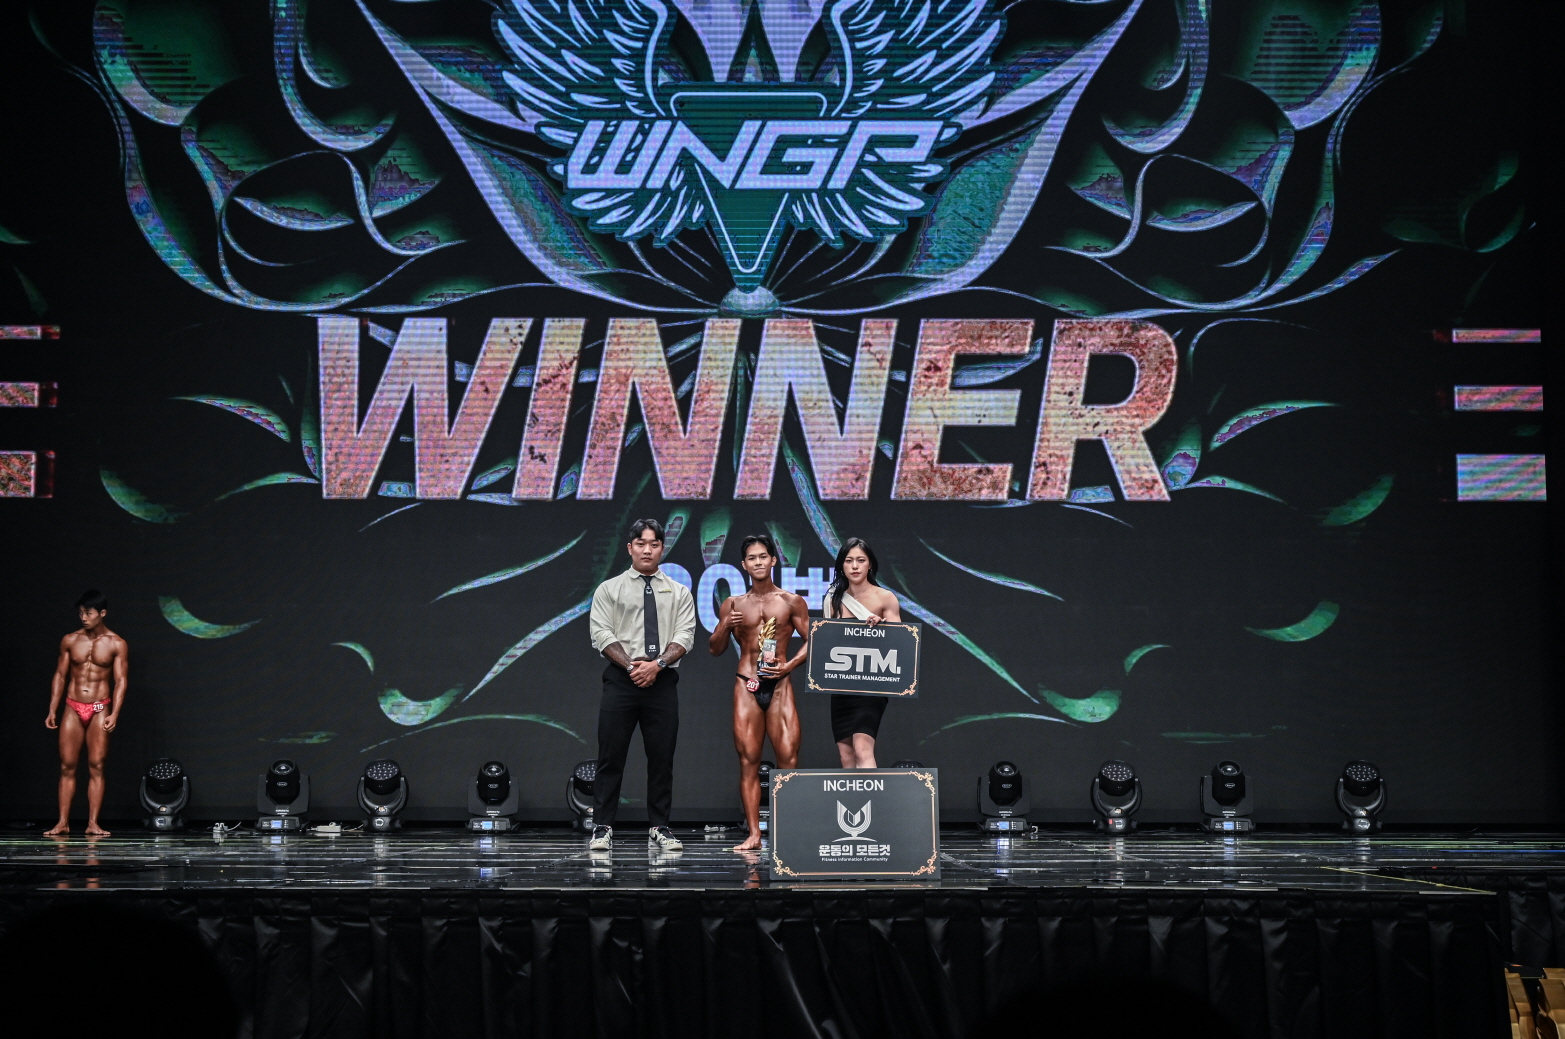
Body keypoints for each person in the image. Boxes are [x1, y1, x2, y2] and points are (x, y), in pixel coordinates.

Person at [586, 519, 697, 853]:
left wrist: (657, 665)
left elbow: (685, 635)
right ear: (630, 548)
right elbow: (601, 634)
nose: (647, 550)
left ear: (662, 548)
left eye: (654, 544)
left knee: (662, 758)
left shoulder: (679, 591)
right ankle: (602, 826)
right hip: (622, 680)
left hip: (662, 682)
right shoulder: (609, 589)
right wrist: (633, 666)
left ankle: (660, 826)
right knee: (610, 756)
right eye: (641, 543)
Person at [709, 534, 810, 851]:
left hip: (780, 684)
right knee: (748, 761)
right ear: (744, 564)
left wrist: (789, 665)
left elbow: (816, 640)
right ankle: (753, 834)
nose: (758, 562)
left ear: (773, 560)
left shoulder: (791, 601)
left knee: (788, 760)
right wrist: (725, 626)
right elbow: (715, 649)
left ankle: (787, 831)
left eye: (763, 556)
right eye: (751, 558)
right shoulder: (733, 604)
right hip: (746, 683)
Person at [44, 590, 128, 836]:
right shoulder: (70, 640)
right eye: (81, 613)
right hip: (73, 705)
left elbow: (121, 681)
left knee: (96, 765)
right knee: (67, 766)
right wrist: (52, 708)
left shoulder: (116, 643)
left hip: (100, 707)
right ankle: (62, 822)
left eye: (88, 613)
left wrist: (115, 713)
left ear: (102, 613)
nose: (84, 617)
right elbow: (60, 675)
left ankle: (93, 823)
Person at [825, 538, 901, 768]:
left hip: (872, 684)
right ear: (842, 565)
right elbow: (826, 642)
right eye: (849, 561)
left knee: (862, 748)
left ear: (870, 564)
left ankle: (872, 793)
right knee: (846, 754)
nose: (855, 566)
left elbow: (901, 641)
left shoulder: (885, 597)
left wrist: (883, 627)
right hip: (842, 684)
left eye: (861, 560)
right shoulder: (833, 599)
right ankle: (854, 794)